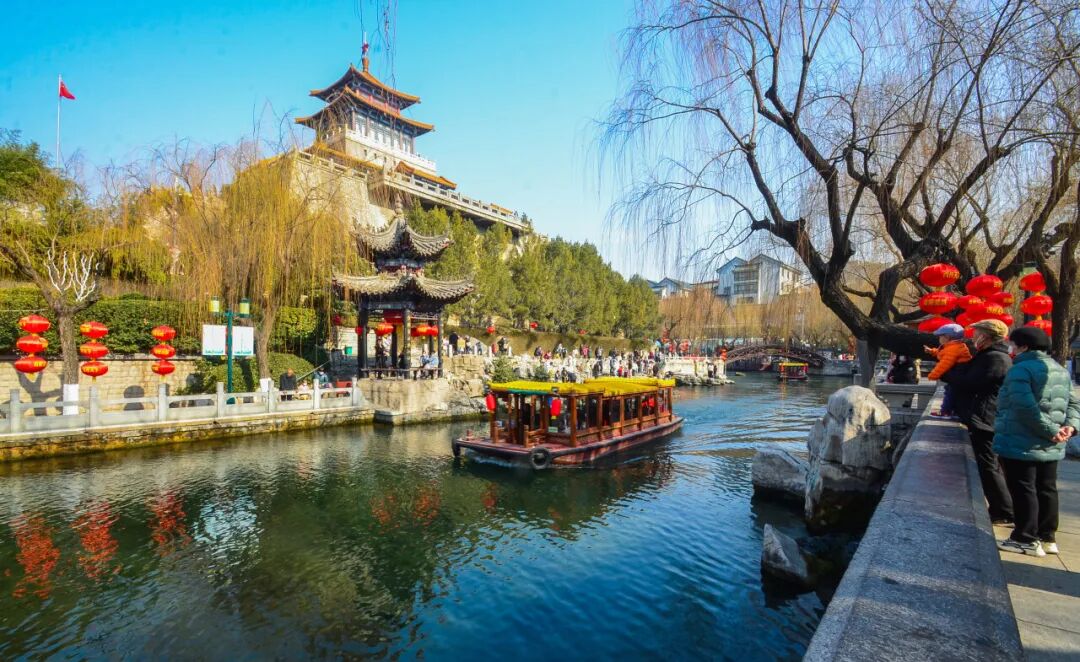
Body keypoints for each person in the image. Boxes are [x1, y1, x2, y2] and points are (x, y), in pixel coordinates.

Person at [993, 327, 1080, 557]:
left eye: (1013, 345)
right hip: (1052, 441)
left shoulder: (1020, 370)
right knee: (1047, 487)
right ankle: (1047, 537)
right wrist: (1070, 427)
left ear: (1024, 347)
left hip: (1021, 439)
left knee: (1023, 488)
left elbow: (1024, 407)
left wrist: (1051, 431)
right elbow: (1073, 404)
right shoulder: (1060, 370)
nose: (1011, 349)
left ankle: (1025, 538)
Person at [939, 319, 1014, 524]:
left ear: (986, 336)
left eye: (977, 332)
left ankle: (1004, 511)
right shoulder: (987, 355)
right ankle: (1001, 508)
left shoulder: (996, 358)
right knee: (987, 464)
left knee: (989, 465)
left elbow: (972, 383)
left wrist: (946, 374)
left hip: (985, 418)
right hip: (980, 416)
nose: (973, 336)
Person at [924, 323, 972, 417]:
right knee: (952, 392)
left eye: (940, 336)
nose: (939, 339)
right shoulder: (955, 346)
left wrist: (933, 375)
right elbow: (942, 353)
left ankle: (945, 411)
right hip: (959, 375)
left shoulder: (953, 349)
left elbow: (944, 364)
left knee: (951, 393)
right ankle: (953, 411)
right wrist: (932, 351)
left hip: (958, 374)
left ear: (947, 337)